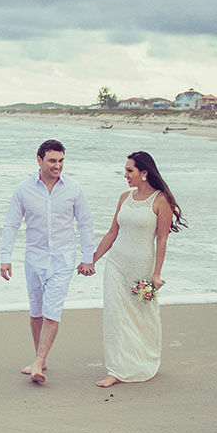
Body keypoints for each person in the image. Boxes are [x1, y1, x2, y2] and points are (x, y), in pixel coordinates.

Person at [0, 139, 96, 384]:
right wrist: (5, 258)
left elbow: (85, 224)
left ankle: (39, 363)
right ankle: (39, 358)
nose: (58, 165)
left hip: (63, 259)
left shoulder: (73, 189)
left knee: (52, 312)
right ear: (39, 160)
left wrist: (88, 258)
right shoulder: (23, 189)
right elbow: (11, 224)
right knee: (36, 312)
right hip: (34, 258)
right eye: (52, 160)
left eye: (61, 160)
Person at [90, 151, 187, 387]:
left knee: (142, 318)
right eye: (125, 170)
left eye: (129, 170)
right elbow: (112, 233)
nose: (125, 175)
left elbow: (161, 240)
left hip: (141, 269)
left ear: (144, 173)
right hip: (115, 265)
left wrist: (156, 274)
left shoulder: (160, 200)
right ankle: (115, 369)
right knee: (115, 317)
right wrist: (91, 259)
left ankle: (143, 360)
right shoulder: (124, 197)